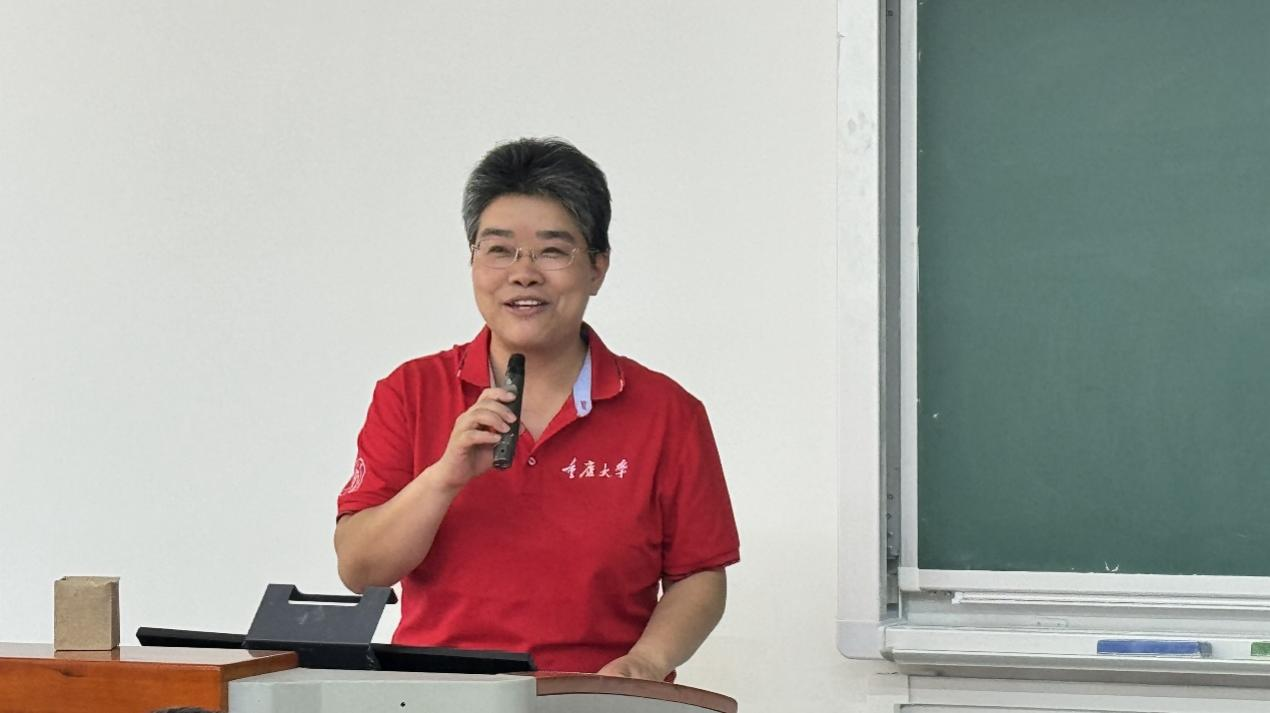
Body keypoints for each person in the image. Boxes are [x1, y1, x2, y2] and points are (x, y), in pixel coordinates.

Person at [334, 137, 739, 680]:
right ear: (473, 262)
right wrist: (444, 478)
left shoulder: (668, 412)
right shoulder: (409, 391)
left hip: (599, 698)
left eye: (552, 251)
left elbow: (699, 575)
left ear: (597, 269)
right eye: (499, 250)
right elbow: (360, 570)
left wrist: (647, 660)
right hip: (440, 695)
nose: (523, 273)